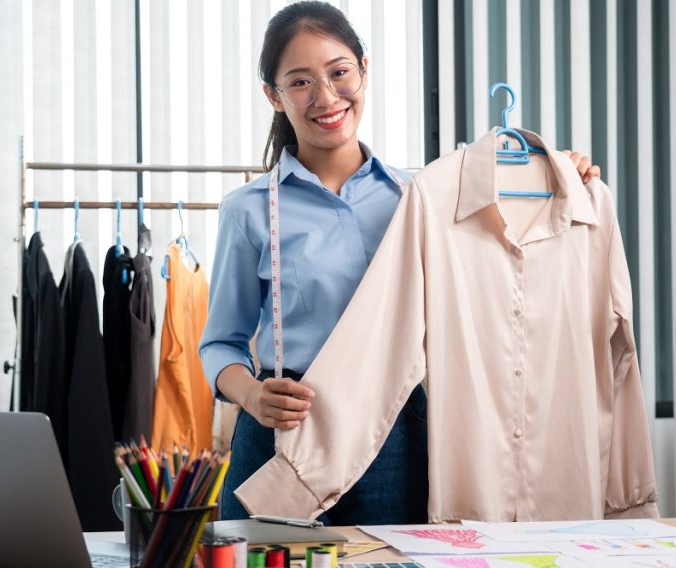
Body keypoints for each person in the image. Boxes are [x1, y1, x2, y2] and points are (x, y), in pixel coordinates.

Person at [199, 0, 600, 523]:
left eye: (339, 72)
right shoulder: (249, 210)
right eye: (300, 83)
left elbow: (502, 261)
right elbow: (219, 344)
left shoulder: (425, 197)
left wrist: (559, 174)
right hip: (285, 428)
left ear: (365, 70)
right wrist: (252, 395)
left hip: (395, 430)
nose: (325, 96)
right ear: (273, 96)